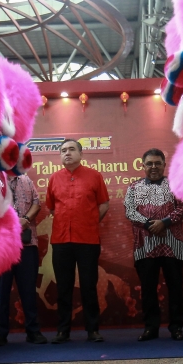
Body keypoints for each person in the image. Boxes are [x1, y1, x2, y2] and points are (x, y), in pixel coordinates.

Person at [45, 138, 110, 343]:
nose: (67, 153)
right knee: (63, 286)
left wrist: (89, 222)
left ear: (81, 154)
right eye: (63, 150)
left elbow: (104, 204)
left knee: (89, 285)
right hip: (61, 240)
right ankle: (63, 330)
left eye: (72, 149)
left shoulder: (94, 176)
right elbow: (52, 208)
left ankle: (92, 330)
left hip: (88, 239)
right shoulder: (54, 178)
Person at [124, 148, 183, 341]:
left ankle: (176, 327)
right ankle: (151, 328)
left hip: (172, 244)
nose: (153, 167)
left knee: (175, 288)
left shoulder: (176, 184)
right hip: (145, 246)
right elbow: (129, 211)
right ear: (142, 166)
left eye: (157, 163)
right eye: (149, 163)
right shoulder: (134, 187)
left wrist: (164, 223)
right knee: (148, 289)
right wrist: (149, 225)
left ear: (164, 165)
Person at [0, 174, 47, 346]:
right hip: (0, 245)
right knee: (0, 291)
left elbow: (37, 204)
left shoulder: (26, 180)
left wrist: (26, 219)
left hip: (27, 244)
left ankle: (33, 331)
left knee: (29, 290)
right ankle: (1, 333)